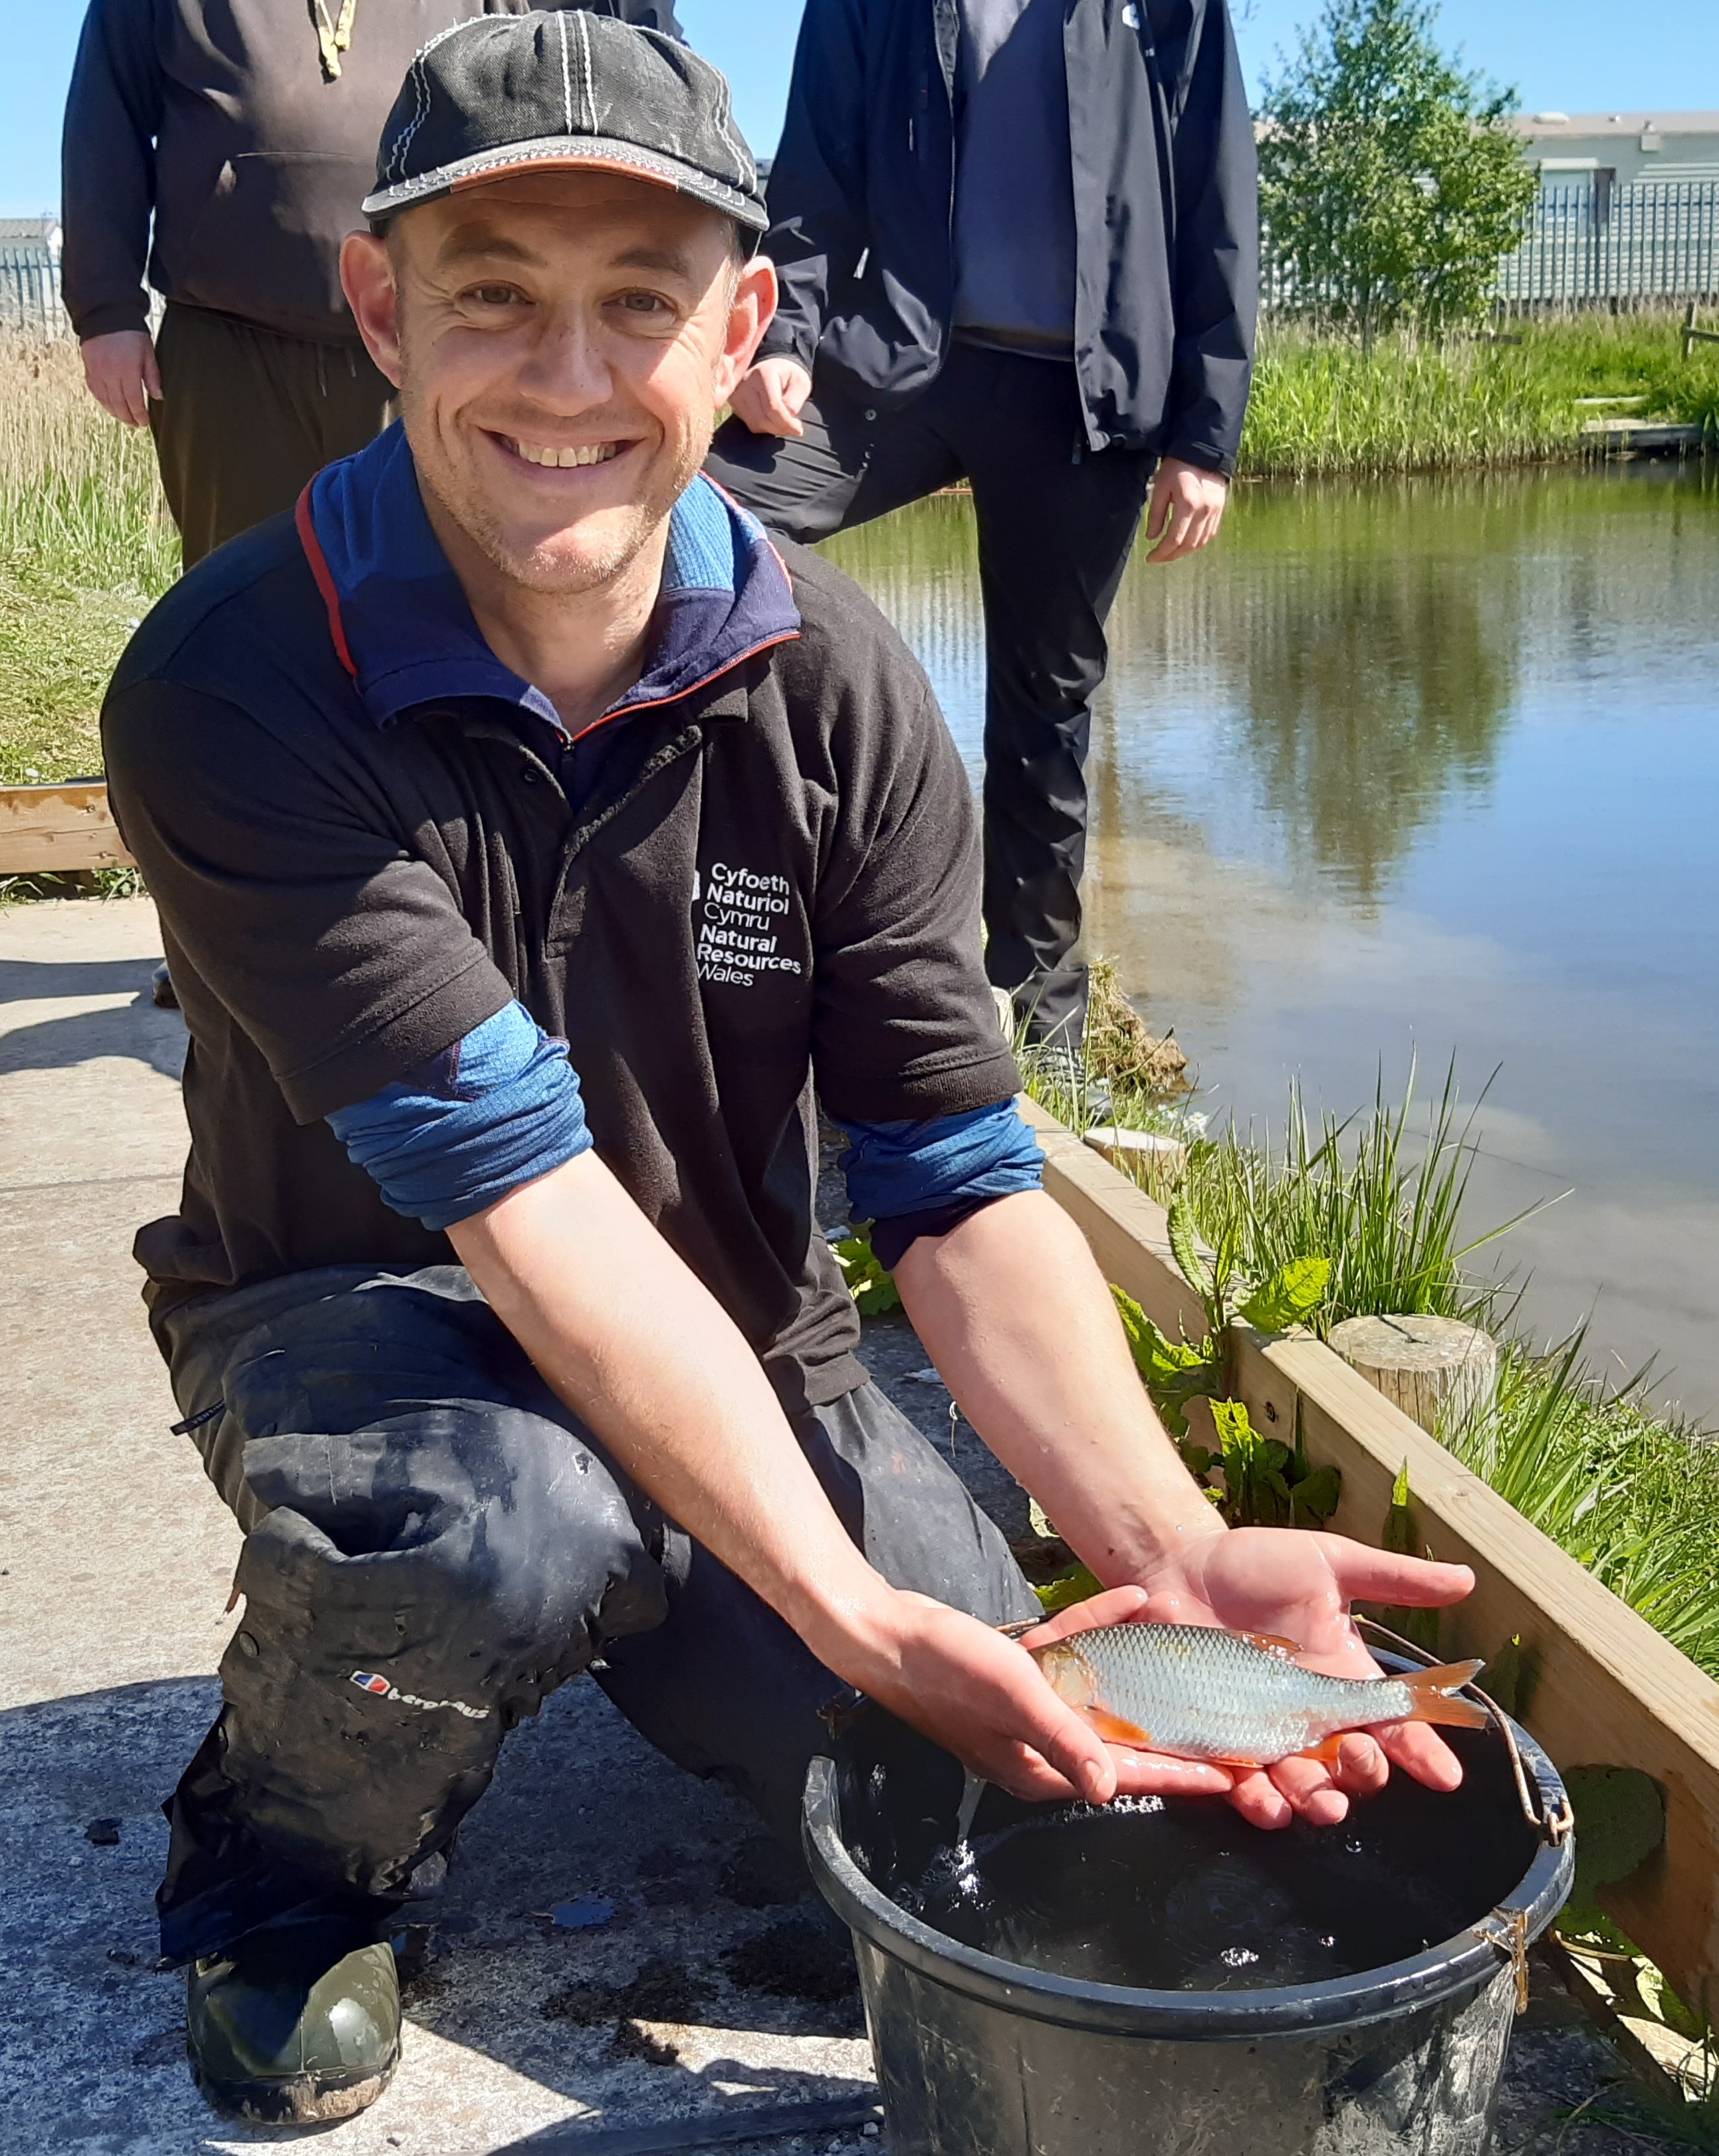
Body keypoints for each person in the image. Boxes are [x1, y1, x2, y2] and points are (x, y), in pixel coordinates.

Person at [100, 15, 1465, 2127]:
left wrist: (1165, 1540)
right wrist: (826, 1598)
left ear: (744, 330)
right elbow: (518, 1194)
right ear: (378, 312)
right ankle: (286, 1862)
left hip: (742, 1322)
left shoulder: (837, 683)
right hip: (363, 1311)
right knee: (502, 1529)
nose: (568, 379)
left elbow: (954, 1171)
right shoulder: (236, 678)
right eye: (492, 300)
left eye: (636, 305)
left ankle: (723, 1597)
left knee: (974, 1709)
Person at [711, 0, 1258, 1054]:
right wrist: (784, 336)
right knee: (706, 517)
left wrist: (1203, 434)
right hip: (898, 368)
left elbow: (1215, 193)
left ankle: (1044, 1033)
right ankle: (764, 915)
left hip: (1084, 397)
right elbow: (814, 172)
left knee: (1045, 711)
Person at [62, 0, 679, 568]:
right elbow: (103, 124)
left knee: (431, 583)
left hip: (428, 343)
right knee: (243, 587)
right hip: (228, 348)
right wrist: (107, 311)